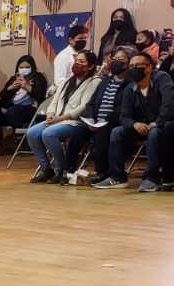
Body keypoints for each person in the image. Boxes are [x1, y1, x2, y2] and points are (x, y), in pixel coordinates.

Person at [93, 51, 173, 191]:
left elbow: (169, 104)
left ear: (149, 67)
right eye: (131, 66)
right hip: (141, 125)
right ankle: (117, 177)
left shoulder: (162, 78)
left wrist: (158, 122)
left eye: (138, 65)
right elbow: (124, 116)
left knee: (154, 133)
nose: (133, 69)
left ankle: (151, 178)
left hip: (163, 124)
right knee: (117, 131)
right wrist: (134, 124)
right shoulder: (130, 87)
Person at [25, 50, 99, 184]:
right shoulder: (66, 81)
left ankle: (61, 168)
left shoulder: (94, 81)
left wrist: (61, 118)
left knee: (48, 134)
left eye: (82, 62)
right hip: (57, 119)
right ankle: (46, 168)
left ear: (91, 66)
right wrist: (50, 115)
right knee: (32, 133)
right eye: (76, 60)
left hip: (77, 122)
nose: (77, 63)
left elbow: (84, 106)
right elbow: (54, 101)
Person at [84, 47, 134, 185]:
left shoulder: (130, 83)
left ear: (129, 63)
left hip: (115, 122)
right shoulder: (105, 81)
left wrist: (106, 120)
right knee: (78, 132)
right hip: (96, 122)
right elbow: (91, 103)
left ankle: (109, 173)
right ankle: (66, 170)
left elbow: (125, 107)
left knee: (105, 132)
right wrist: (90, 119)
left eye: (120, 60)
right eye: (114, 59)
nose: (116, 62)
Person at [0, 55, 48, 156]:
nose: (24, 69)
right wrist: (11, 88)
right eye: (21, 67)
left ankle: (19, 139)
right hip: (11, 111)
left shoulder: (39, 78)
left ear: (32, 67)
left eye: (27, 67)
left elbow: (40, 95)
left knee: (14, 111)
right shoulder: (14, 78)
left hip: (30, 110)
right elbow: (3, 94)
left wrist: (26, 86)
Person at [52, 25, 88, 92]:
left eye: (85, 38)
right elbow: (59, 82)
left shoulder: (83, 54)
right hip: (66, 93)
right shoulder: (63, 57)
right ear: (71, 40)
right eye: (80, 38)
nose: (83, 41)